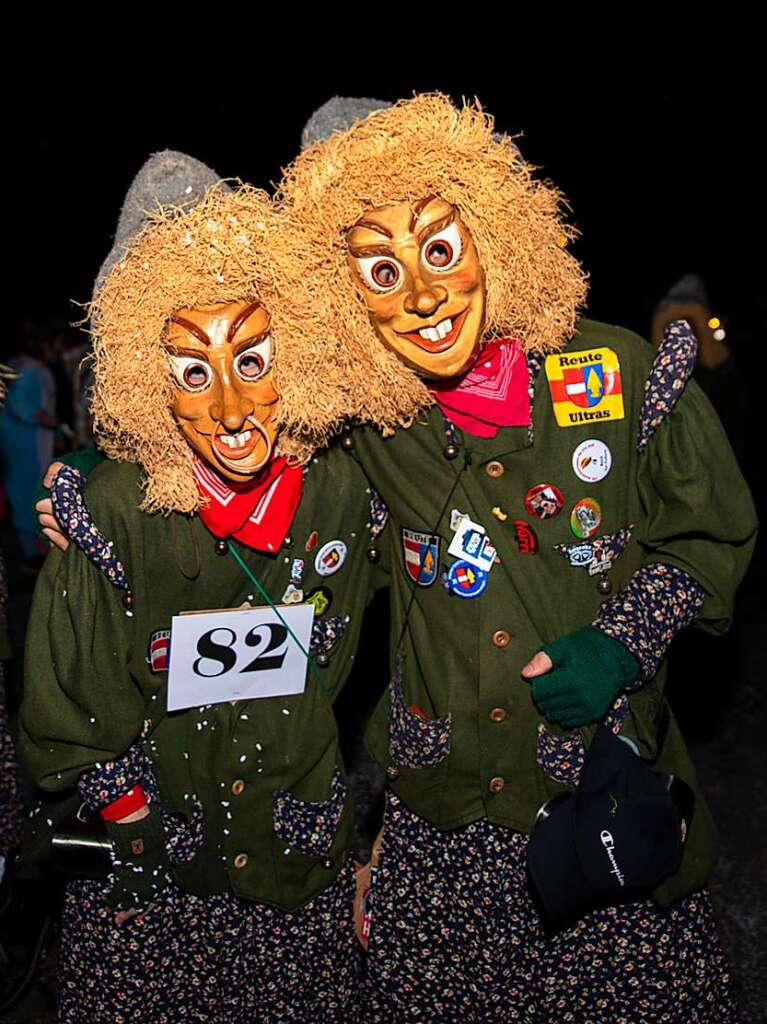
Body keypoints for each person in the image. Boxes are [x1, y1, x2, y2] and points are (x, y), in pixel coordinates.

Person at [278, 93, 758, 1023]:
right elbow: (264, 511)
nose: (419, 295)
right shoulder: (366, 433)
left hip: (598, 800)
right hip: (441, 827)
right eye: (380, 270)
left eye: (439, 250)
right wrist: (98, 493)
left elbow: (707, 534)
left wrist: (622, 639)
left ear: (493, 230)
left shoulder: (617, 377)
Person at [18, 158, 410, 1023]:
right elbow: (63, 710)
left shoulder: (349, 491)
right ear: (148, 383)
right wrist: (129, 818)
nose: (233, 409)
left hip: (291, 866)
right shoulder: (113, 514)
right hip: (147, 885)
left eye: (255, 359)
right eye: (192, 373)